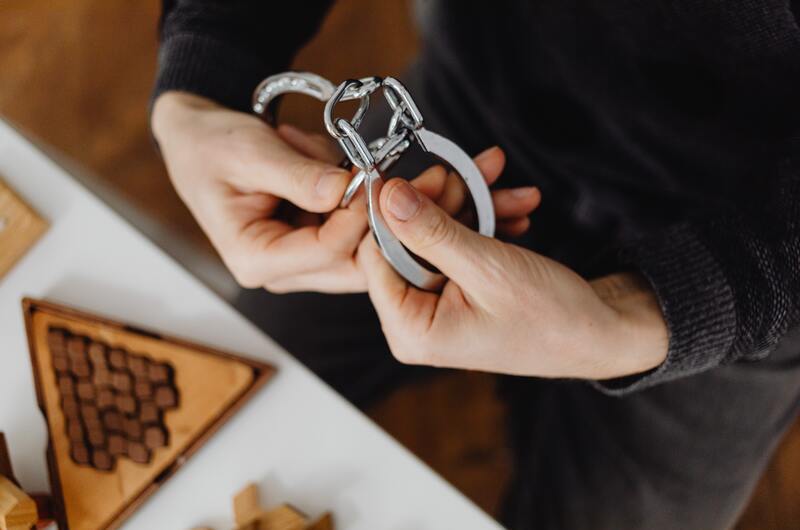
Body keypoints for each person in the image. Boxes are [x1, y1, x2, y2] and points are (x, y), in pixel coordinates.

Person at [149, 2, 800, 529]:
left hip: (751, 263)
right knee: (204, 409)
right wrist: (205, 72)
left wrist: (637, 319)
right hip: (473, 110)